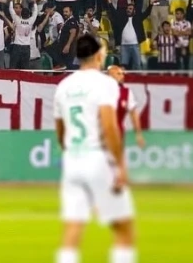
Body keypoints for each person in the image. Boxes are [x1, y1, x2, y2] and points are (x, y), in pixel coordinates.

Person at [52, 34, 136, 263]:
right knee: (123, 228)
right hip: (98, 159)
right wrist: (120, 165)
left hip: (72, 161)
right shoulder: (105, 84)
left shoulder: (64, 86)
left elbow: (60, 130)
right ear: (99, 55)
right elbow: (109, 126)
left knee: (73, 228)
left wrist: (68, 150)